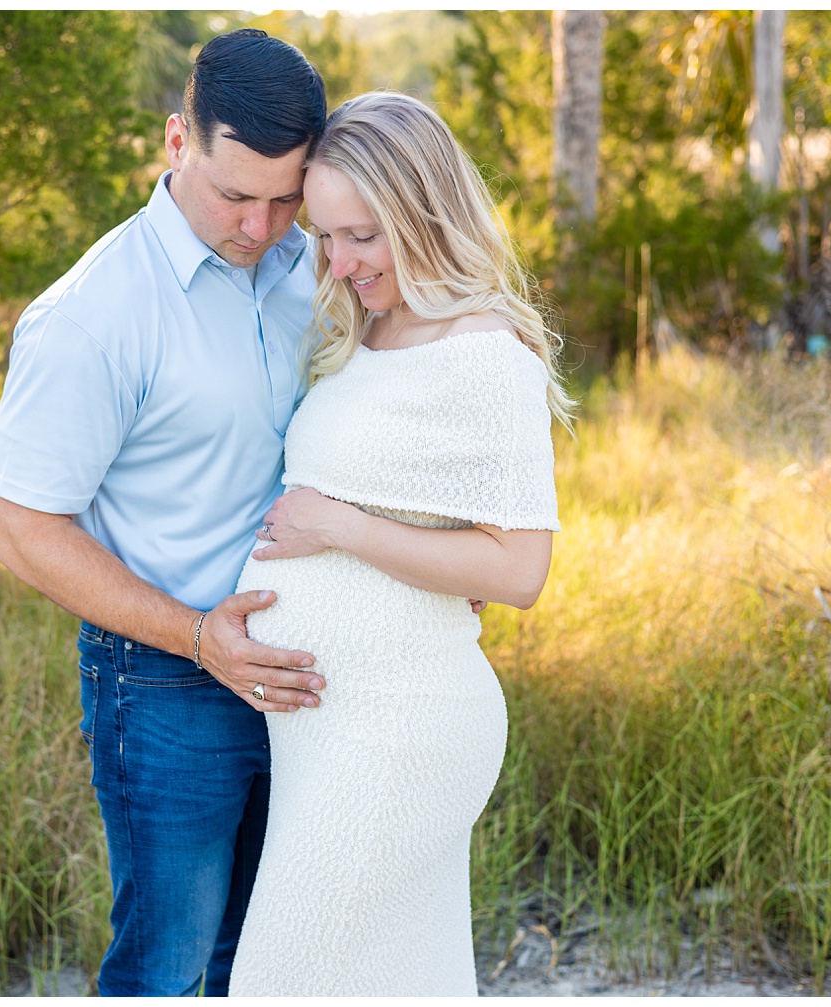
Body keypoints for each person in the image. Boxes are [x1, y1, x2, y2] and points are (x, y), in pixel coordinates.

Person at [0, 30, 329, 997]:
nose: (261, 226)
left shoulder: (319, 266)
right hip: (165, 684)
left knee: (269, 962)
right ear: (177, 140)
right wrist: (196, 635)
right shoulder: (94, 313)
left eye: (284, 196)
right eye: (235, 194)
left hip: (313, 675)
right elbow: (22, 528)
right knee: (167, 969)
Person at [225, 91, 575, 996]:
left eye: (364, 236)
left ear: (424, 212)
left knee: (282, 978)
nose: (338, 262)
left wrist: (339, 526)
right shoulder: (370, 325)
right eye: (328, 235)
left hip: (400, 726)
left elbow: (520, 568)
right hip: (329, 728)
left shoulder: (485, 352)